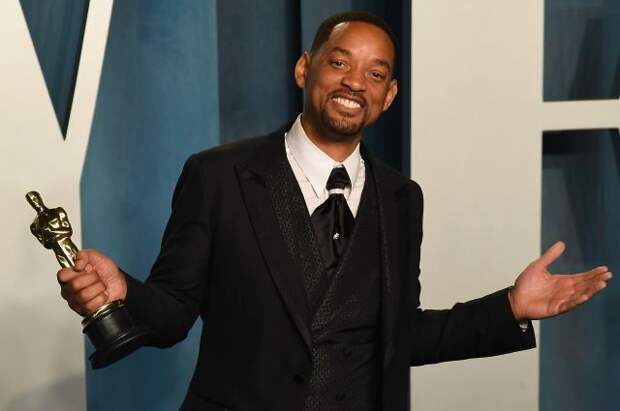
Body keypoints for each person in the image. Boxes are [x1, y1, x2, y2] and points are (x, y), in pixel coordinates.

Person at [57, 11, 612, 411]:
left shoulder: (402, 198)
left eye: (375, 73)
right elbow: (174, 313)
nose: (354, 82)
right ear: (305, 69)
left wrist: (510, 307)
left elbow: (398, 336)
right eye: (340, 62)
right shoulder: (219, 175)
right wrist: (122, 293)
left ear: (389, 95)